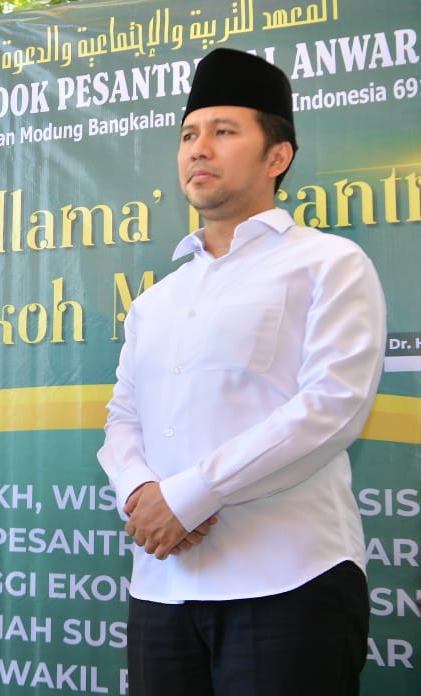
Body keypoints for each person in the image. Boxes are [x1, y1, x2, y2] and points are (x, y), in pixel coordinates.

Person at [97, 48, 386, 695]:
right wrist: (142, 492)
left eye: (223, 131)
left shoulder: (329, 264)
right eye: (188, 135)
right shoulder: (156, 299)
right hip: (163, 588)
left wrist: (191, 495)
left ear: (277, 156)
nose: (199, 149)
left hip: (290, 581)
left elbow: (331, 408)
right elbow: (123, 418)